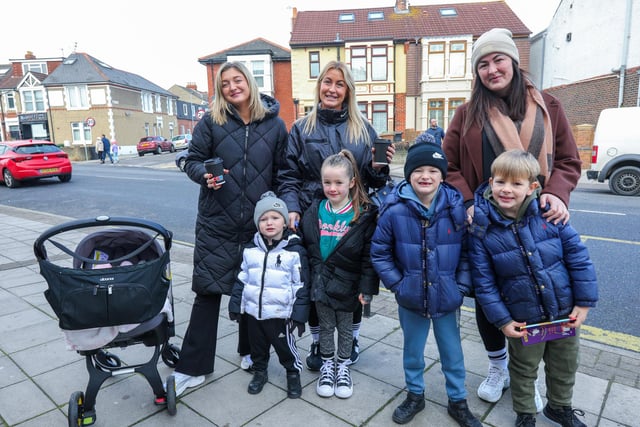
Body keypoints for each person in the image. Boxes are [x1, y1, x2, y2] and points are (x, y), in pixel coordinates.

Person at [442, 27, 582, 408]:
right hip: (486, 224)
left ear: (514, 62)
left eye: (497, 59)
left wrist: (555, 191)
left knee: (536, 296)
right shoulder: (466, 114)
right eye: (482, 64)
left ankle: (526, 374)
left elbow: (568, 161)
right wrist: (468, 202)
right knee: (490, 300)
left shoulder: (549, 106)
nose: (491, 69)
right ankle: (498, 366)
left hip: (539, 221)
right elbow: (449, 166)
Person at [173, 61, 288, 397]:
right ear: (220, 90)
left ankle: (249, 351)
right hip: (216, 221)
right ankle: (192, 368)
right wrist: (202, 175)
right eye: (225, 83)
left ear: (250, 83)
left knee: (253, 292)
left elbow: (282, 173)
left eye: (238, 80)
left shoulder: (276, 126)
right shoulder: (212, 121)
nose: (232, 87)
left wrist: (278, 214)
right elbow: (191, 159)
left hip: (257, 225)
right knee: (207, 293)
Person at [278, 60, 394, 371]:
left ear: (347, 91)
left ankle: (351, 338)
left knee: (350, 282)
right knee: (314, 284)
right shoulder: (302, 128)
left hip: (352, 221)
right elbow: (288, 175)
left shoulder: (364, 129)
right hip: (312, 218)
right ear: (319, 86)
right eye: (327, 82)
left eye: (339, 84)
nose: (332, 88)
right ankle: (319, 340)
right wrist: (291, 207)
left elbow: (373, 181)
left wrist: (379, 169)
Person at [469, 149, 597, 427]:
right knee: (523, 370)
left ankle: (560, 408)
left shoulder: (550, 217)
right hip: (524, 319)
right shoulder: (482, 229)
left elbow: (579, 260)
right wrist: (502, 321)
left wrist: (584, 303)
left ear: (532, 187)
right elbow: (484, 283)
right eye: (501, 181)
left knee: (564, 366)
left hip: (564, 312)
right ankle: (525, 414)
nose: (507, 189)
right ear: (491, 183)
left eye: (516, 183)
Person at [371, 142, 481, 427]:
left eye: (433, 170)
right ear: (408, 175)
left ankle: (457, 400)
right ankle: (415, 394)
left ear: (442, 176)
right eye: (418, 170)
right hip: (411, 296)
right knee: (413, 350)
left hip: (447, 297)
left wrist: (461, 287)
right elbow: (380, 252)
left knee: (452, 352)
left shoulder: (456, 207)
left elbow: (469, 251)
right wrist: (399, 285)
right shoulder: (393, 209)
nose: (426, 176)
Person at [300, 150, 379, 399]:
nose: (332, 188)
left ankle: (342, 367)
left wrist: (367, 289)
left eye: (338, 182)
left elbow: (368, 257)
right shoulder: (314, 210)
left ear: (352, 182)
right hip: (321, 283)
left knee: (345, 329)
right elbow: (307, 248)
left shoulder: (362, 215)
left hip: (348, 284)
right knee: (325, 327)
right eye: (327, 182)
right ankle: (327, 365)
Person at [228, 191, 310, 399]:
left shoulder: (294, 251)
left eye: (275, 217)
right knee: (257, 348)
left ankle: (292, 373)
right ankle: (260, 372)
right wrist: (235, 305)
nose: (269, 223)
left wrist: (299, 315)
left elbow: (301, 285)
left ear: (284, 222)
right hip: (254, 313)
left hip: (280, 315)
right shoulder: (249, 250)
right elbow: (241, 279)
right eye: (263, 219)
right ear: (257, 224)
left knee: (285, 348)